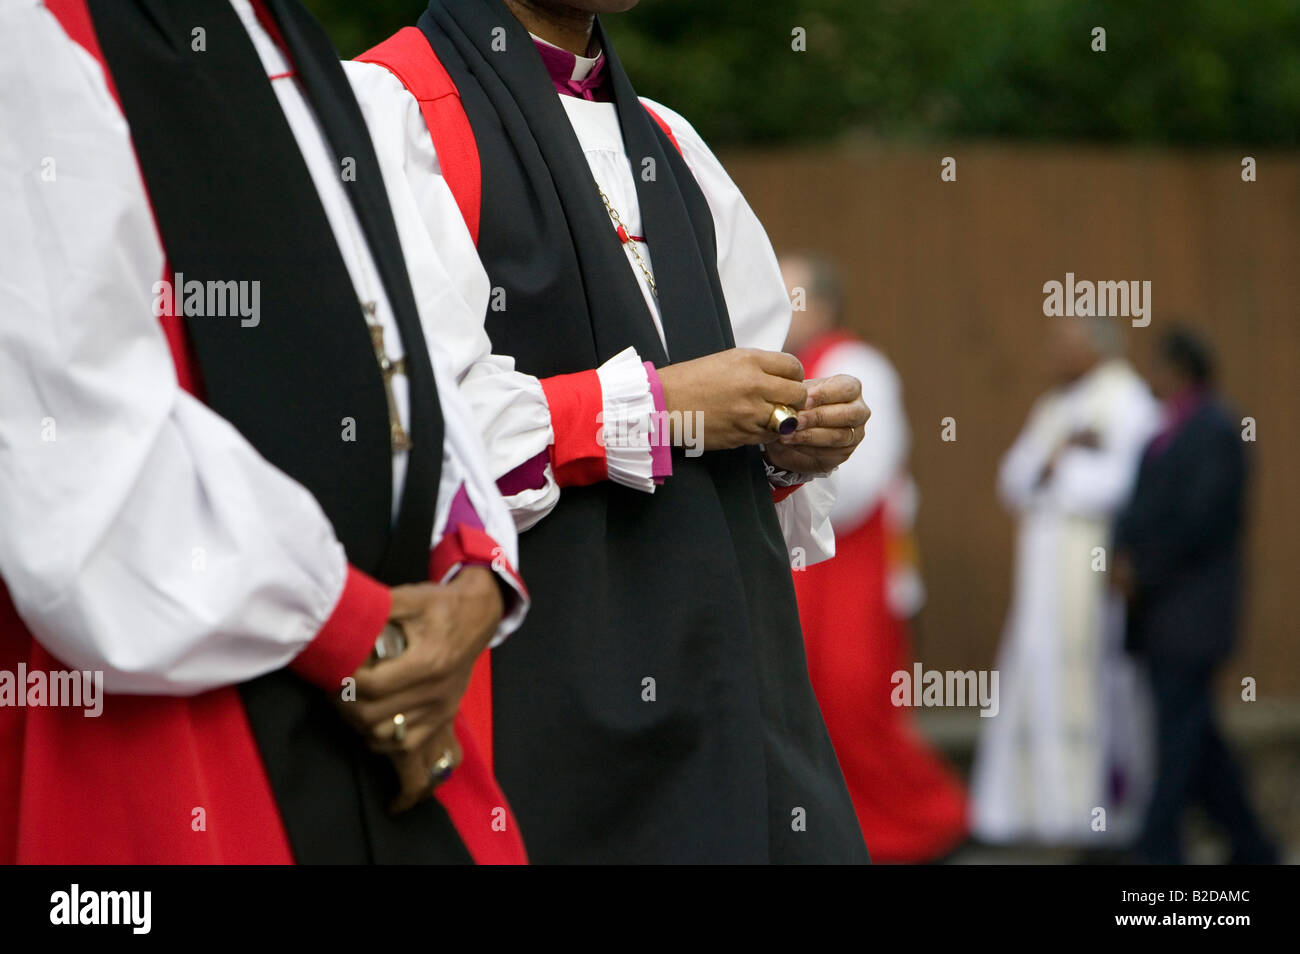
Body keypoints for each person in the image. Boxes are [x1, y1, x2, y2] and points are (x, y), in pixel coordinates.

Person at [0, 0, 529, 864]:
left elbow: (390, 347)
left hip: (386, 684)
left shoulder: (279, 27)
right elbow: (73, 444)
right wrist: (361, 627)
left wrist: (473, 571)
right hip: (186, 713)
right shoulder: (34, 27)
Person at [345, 0, 872, 862]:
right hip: (528, 692)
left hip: (726, 683)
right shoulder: (389, 108)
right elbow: (401, 421)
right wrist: (660, 408)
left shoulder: (672, 145)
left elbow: (745, 387)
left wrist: (789, 438)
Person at [780, 252, 969, 863]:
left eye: (793, 297)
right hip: (808, 566)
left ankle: (926, 824)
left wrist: (780, 477)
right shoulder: (785, 369)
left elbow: (861, 480)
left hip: (851, 565)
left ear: (825, 305)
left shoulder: (858, 366)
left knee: (854, 701)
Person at [970, 317, 1159, 846]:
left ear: (1097, 349)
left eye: (1065, 345)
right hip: (1044, 574)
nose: (1053, 355)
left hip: (1092, 564)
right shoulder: (1055, 406)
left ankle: (1091, 813)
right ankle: (1032, 810)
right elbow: (1014, 477)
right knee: (1036, 672)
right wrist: (1056, 462)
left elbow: (1129, 482)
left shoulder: (1128, 401)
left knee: (1090, 677)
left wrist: (1059, 472)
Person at [1114, 328, 1279, 864]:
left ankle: (1156, 850)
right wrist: (1119, 556)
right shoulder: (1163, 431)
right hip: (1159, 614)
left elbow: (1203, 521)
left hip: (1193, 611)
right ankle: (1252, 846)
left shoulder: (1215, 429)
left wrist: (1143, 570)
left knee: (1179, 742)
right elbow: (1135, 508)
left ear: (1182, 369)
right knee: (1197, 736)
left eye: (1159, 366)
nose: (1151, 377)